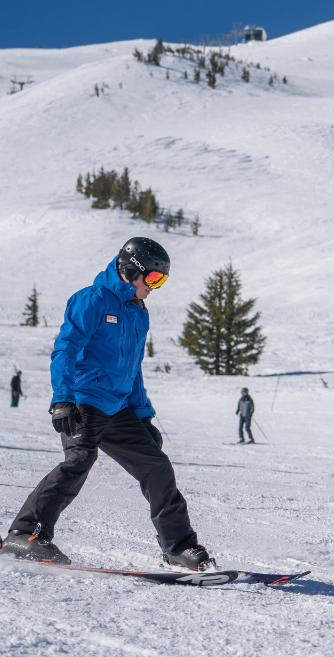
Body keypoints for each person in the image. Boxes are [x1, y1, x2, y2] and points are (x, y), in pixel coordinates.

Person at [0, 238, 213, 570]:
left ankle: (179, 548)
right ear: (130, 271)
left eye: (162, 281)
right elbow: (65, 350)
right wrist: (63, 399)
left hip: (117, 406)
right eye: (154, 279)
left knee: (156, 467)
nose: (156, 287)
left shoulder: (138, 313)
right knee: (79, 460)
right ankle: (24, 534)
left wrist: (142, 415)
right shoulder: (92, 300)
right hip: (84, 401)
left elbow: (132, 369)